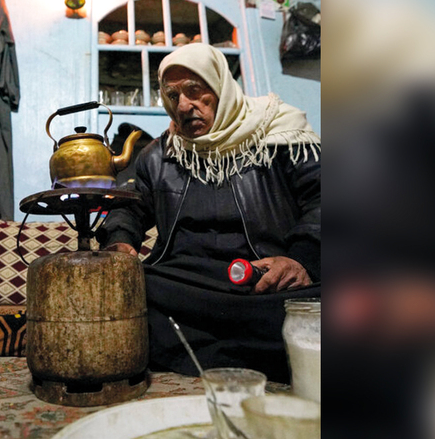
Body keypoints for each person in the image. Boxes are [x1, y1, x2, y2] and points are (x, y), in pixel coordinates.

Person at [96, 44, 321, 383]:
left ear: (220, 86)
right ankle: (249, 356)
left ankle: (207, 353)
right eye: (173, 95)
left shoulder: (281, 135)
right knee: (134, 292)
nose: (183, 105)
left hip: (263, 285)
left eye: (194, 90)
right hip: (186, 288)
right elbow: (128, 207)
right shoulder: (157, 156)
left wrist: (300, 260)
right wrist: (120, 241)